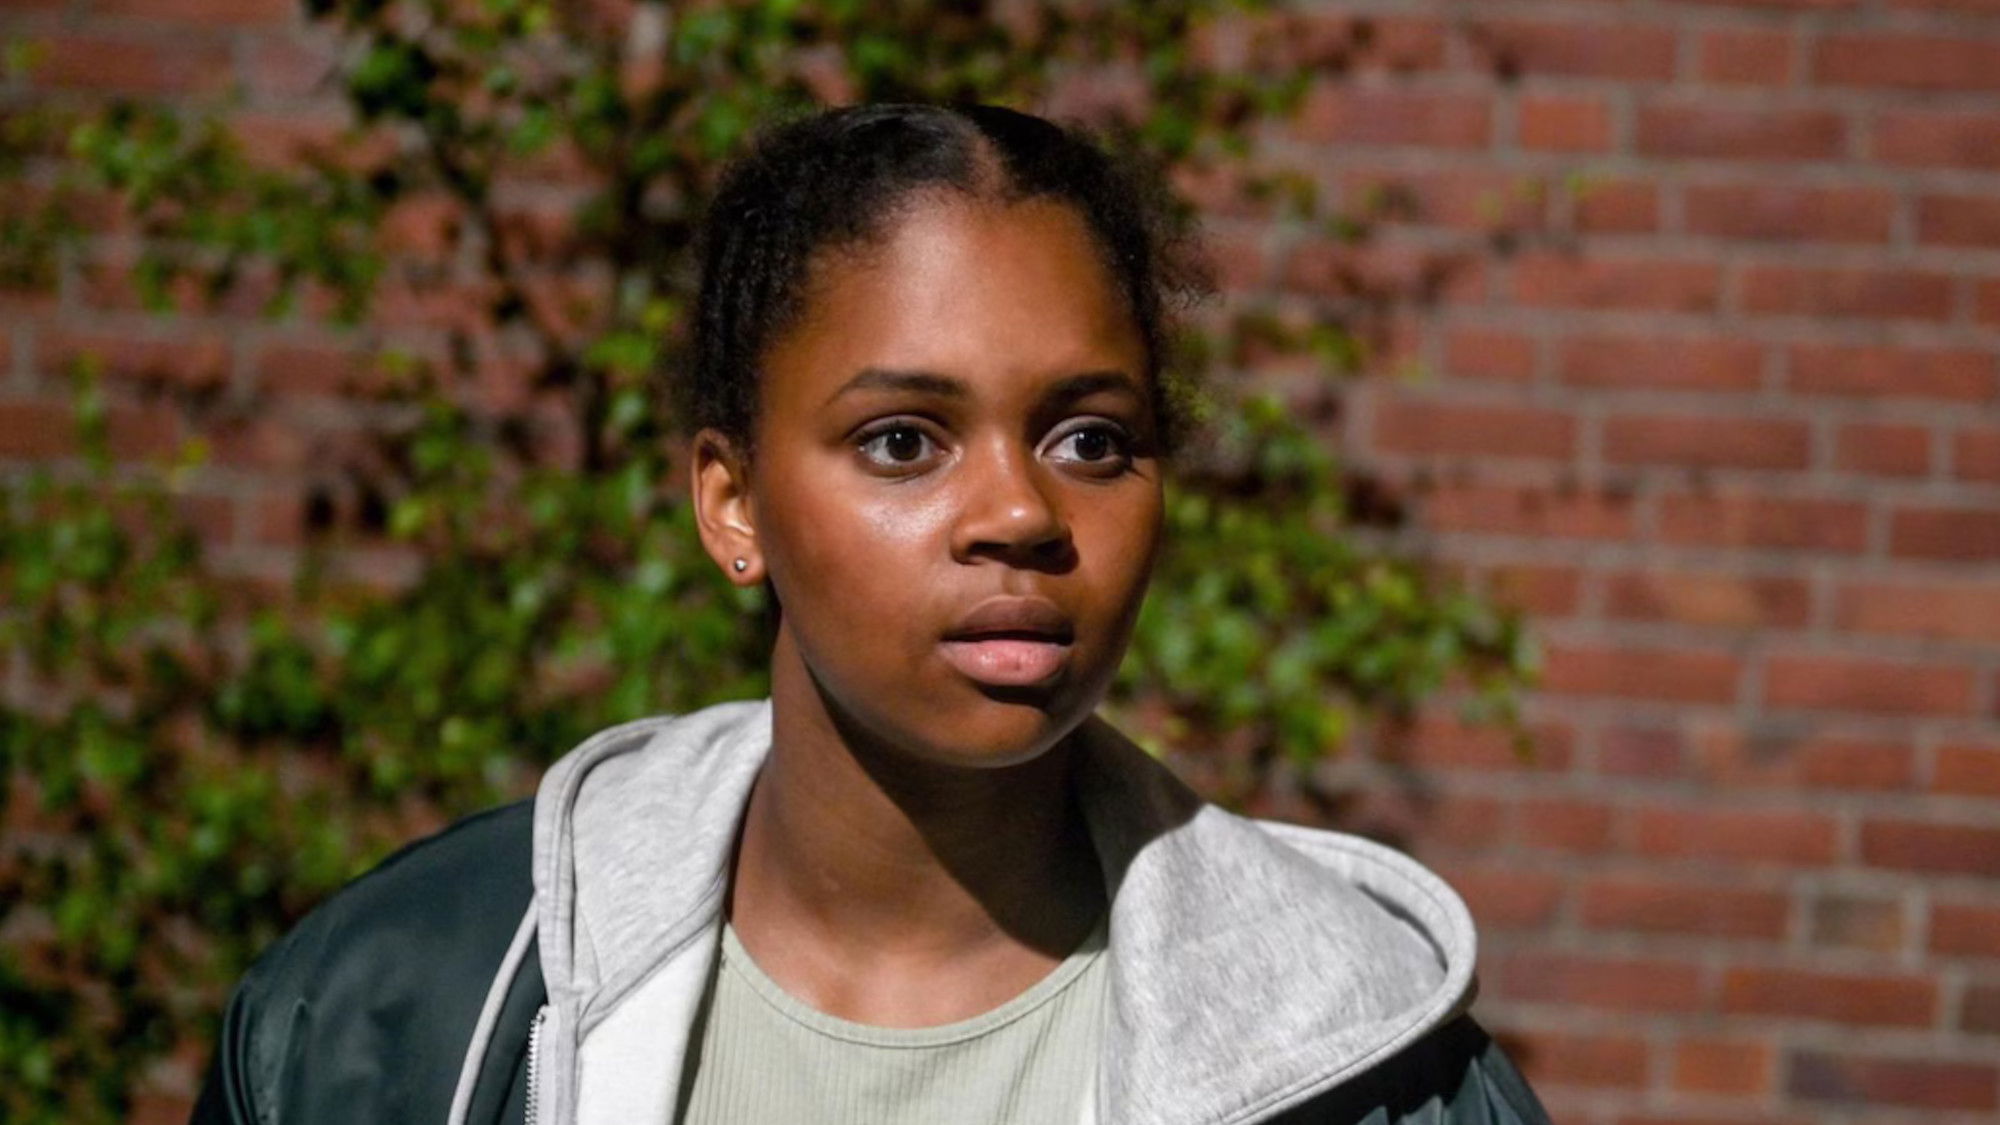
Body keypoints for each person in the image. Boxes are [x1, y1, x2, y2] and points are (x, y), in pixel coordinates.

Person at [191, 103, 1549, 1125]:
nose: (1018, 511)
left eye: (1089, 439)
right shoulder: (391, 1017)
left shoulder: (1385, 1075)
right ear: (732, 504)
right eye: (904, 440)